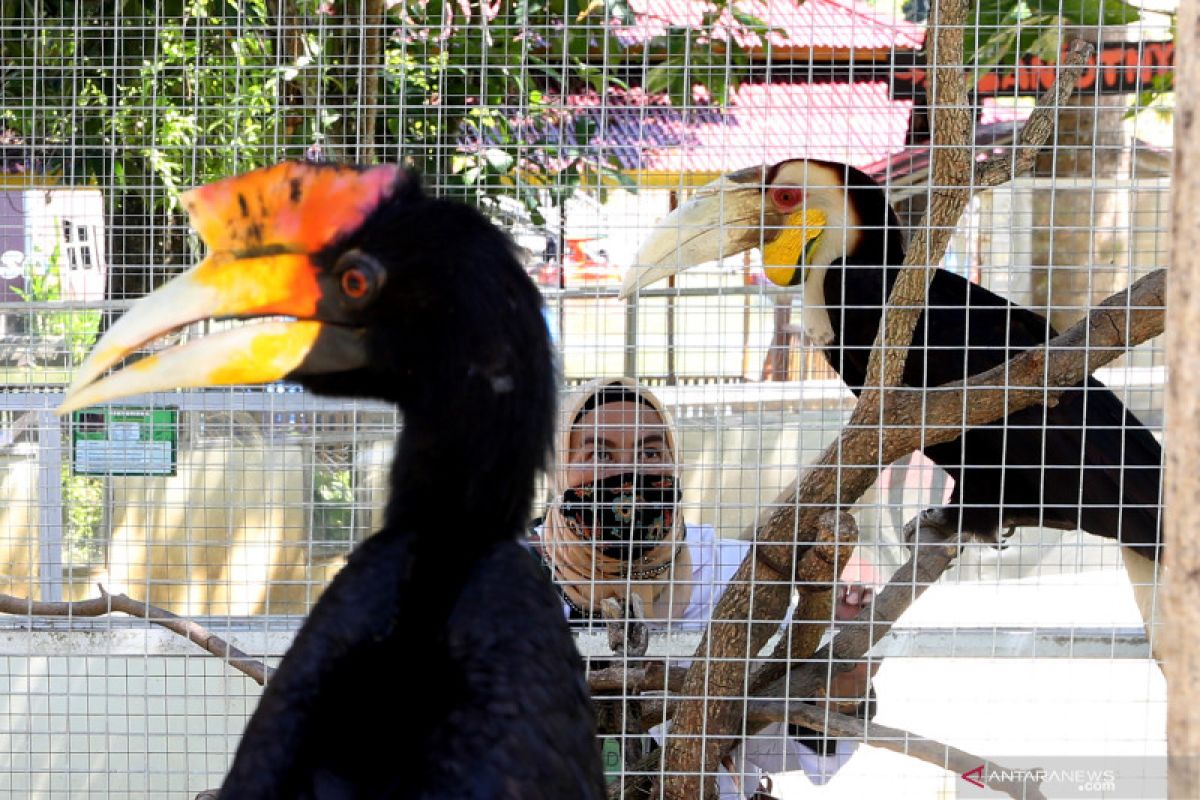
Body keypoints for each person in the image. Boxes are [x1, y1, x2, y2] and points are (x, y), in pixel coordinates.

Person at [528, 377, 877, 798]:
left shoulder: (734, 572)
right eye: (599, 453)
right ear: (560, 467)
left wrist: (841, 688)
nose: (629, 473)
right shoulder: (503, 576)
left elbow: (773, 749)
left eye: (650, 452)